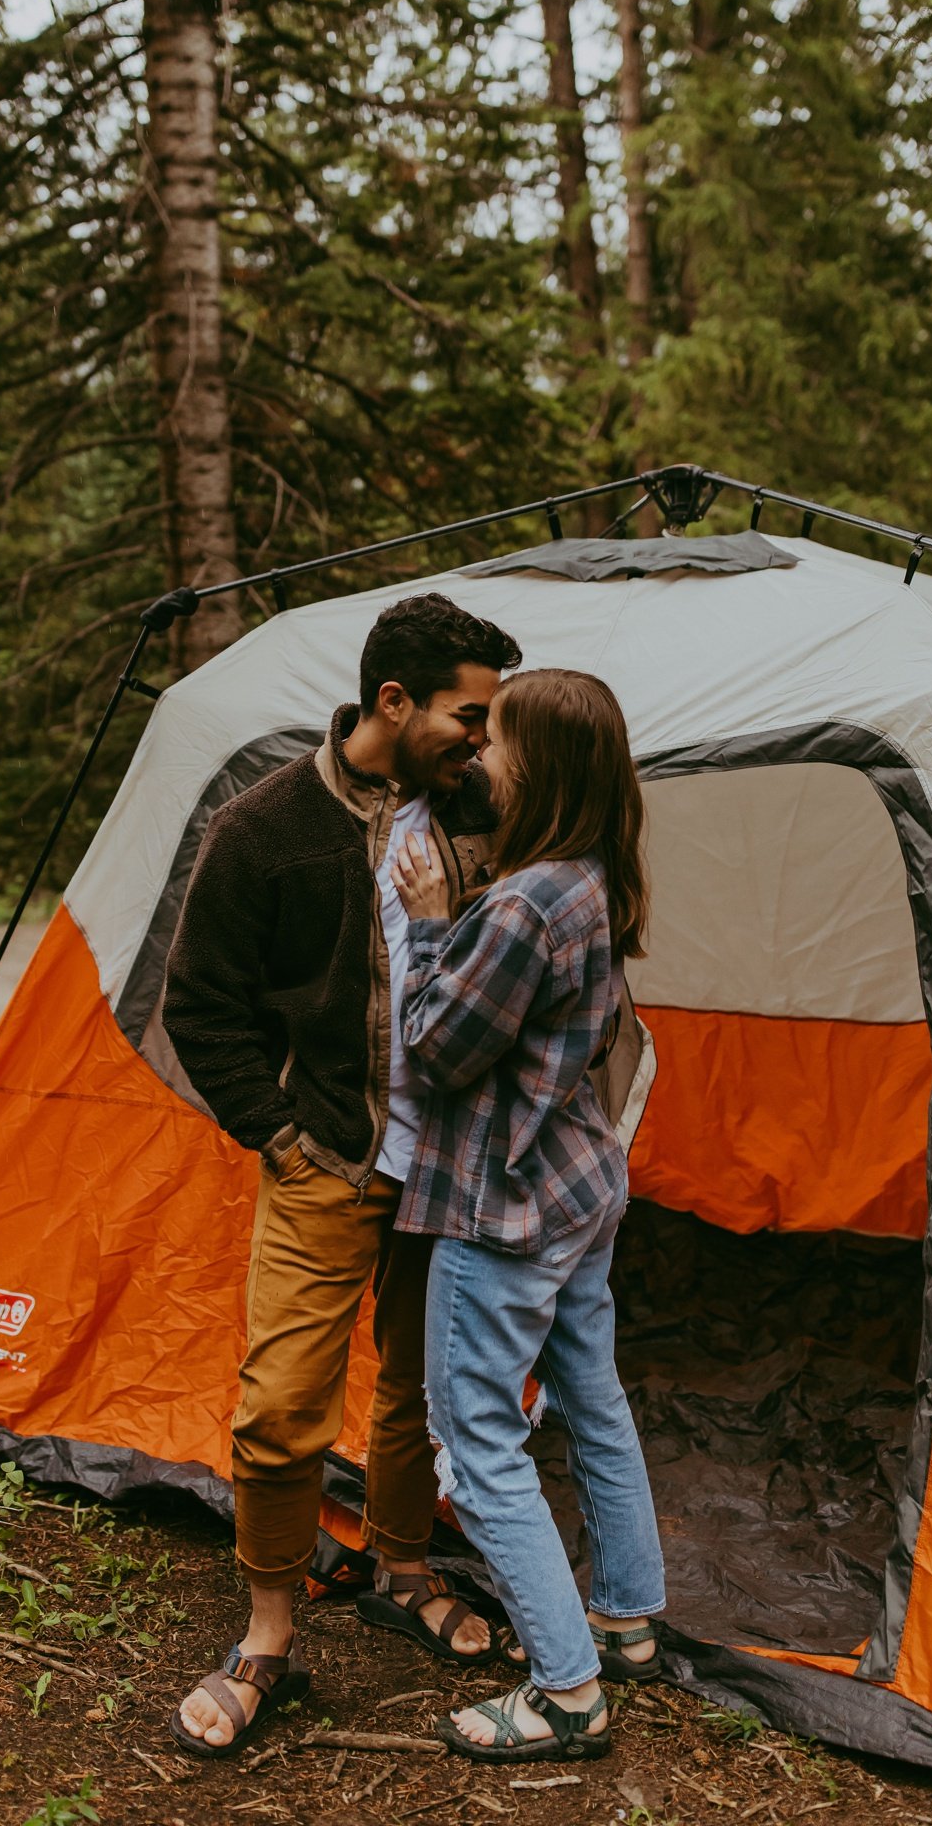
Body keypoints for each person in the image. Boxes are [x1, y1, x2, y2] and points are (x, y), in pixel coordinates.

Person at [163, 592, 523, 1758]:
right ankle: (268, 1629)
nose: (484, 734)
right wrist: (277, 1133)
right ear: (393, 702)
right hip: (329, 1158)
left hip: (456, 1166)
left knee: (422, 1390)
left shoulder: (482, 811)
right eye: (471, 713)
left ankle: (404, 1567)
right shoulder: (262, 826)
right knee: (280, 1410)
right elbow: (199, 1006)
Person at [391, 666, 666, 1765]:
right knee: (593, 1392)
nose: (480, 756)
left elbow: (437, 1046)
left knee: (480, 1435)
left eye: (496, 740)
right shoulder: (594, 877)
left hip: (501, 1205)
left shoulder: (521, 901)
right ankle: (630, 1616)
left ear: (540, 765)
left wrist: (423, 929)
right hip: (578, 1184)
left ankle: (566, 1691)